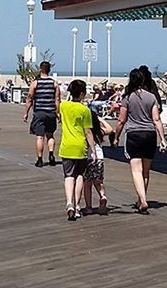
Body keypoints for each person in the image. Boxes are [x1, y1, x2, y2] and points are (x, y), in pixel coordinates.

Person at [114, 69, 167, 214]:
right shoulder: (151, 97)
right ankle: (141, 199)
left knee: (136, 170)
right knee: (146, 171)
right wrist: (162, 139)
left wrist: (116, 136)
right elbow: (156, 119)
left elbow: (121, 120)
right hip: (150, 135)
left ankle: (142, 200)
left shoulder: (127, 98)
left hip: (134, 134)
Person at [58, 80, 95, 221]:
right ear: (81, 93)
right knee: (79, 175)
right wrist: (93, 150)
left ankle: (69, 203)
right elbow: (88, 132)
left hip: (66, 146)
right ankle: (77, 205)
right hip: (80, 146)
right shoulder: (85, 110)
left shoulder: (63, 106)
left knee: (68, 176)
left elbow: (58, 111)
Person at [23, 61, 61, 166]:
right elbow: (57, 99)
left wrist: (26, 112)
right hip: (51, 113)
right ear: (49, 70)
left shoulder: (35, 83)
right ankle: (51, 154)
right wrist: (58, 113)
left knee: (40, 137)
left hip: (39, 112)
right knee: (50, 135)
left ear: (40, 69)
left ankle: (40, 159)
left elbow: (29, 98)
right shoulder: (54, 83)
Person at [83, 111, 110, 215]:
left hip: (88, 158)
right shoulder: (99, 131)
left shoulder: (85, 131)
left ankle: (88, 207)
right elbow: (110, 129)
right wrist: (100, 119)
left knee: (87, 184)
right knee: (98, 181)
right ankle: (102, 196)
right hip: (100, 158)